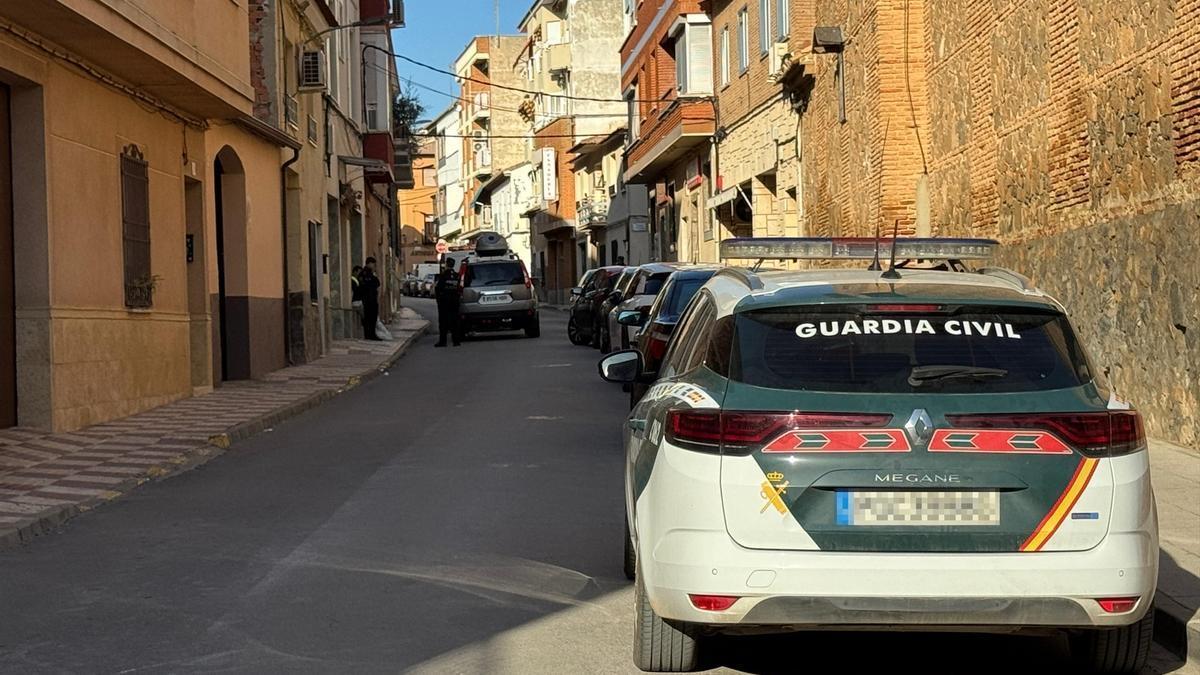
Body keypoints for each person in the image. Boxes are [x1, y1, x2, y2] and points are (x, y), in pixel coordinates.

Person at [433, 257, 462, 347]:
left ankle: (443, 341)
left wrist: (438, 300)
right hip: (455, 302)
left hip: (445, 302)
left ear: (446, 264)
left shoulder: (443, 275)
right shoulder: (457, 276)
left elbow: (438, 288)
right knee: (455, 321)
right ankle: (456, 341)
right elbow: (459, 288)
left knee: (443, 322)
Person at [359, 258, 382, 341]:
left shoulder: (372, 274)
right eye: (373, 264)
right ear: (369, 263)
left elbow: (377, 284)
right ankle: (369, 335)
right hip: (367, 300)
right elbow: (364, 286)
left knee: (373, 318)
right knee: (368, 318)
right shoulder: (364, 274)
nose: (374, 266)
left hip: (372, 300)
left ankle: (372, 334)